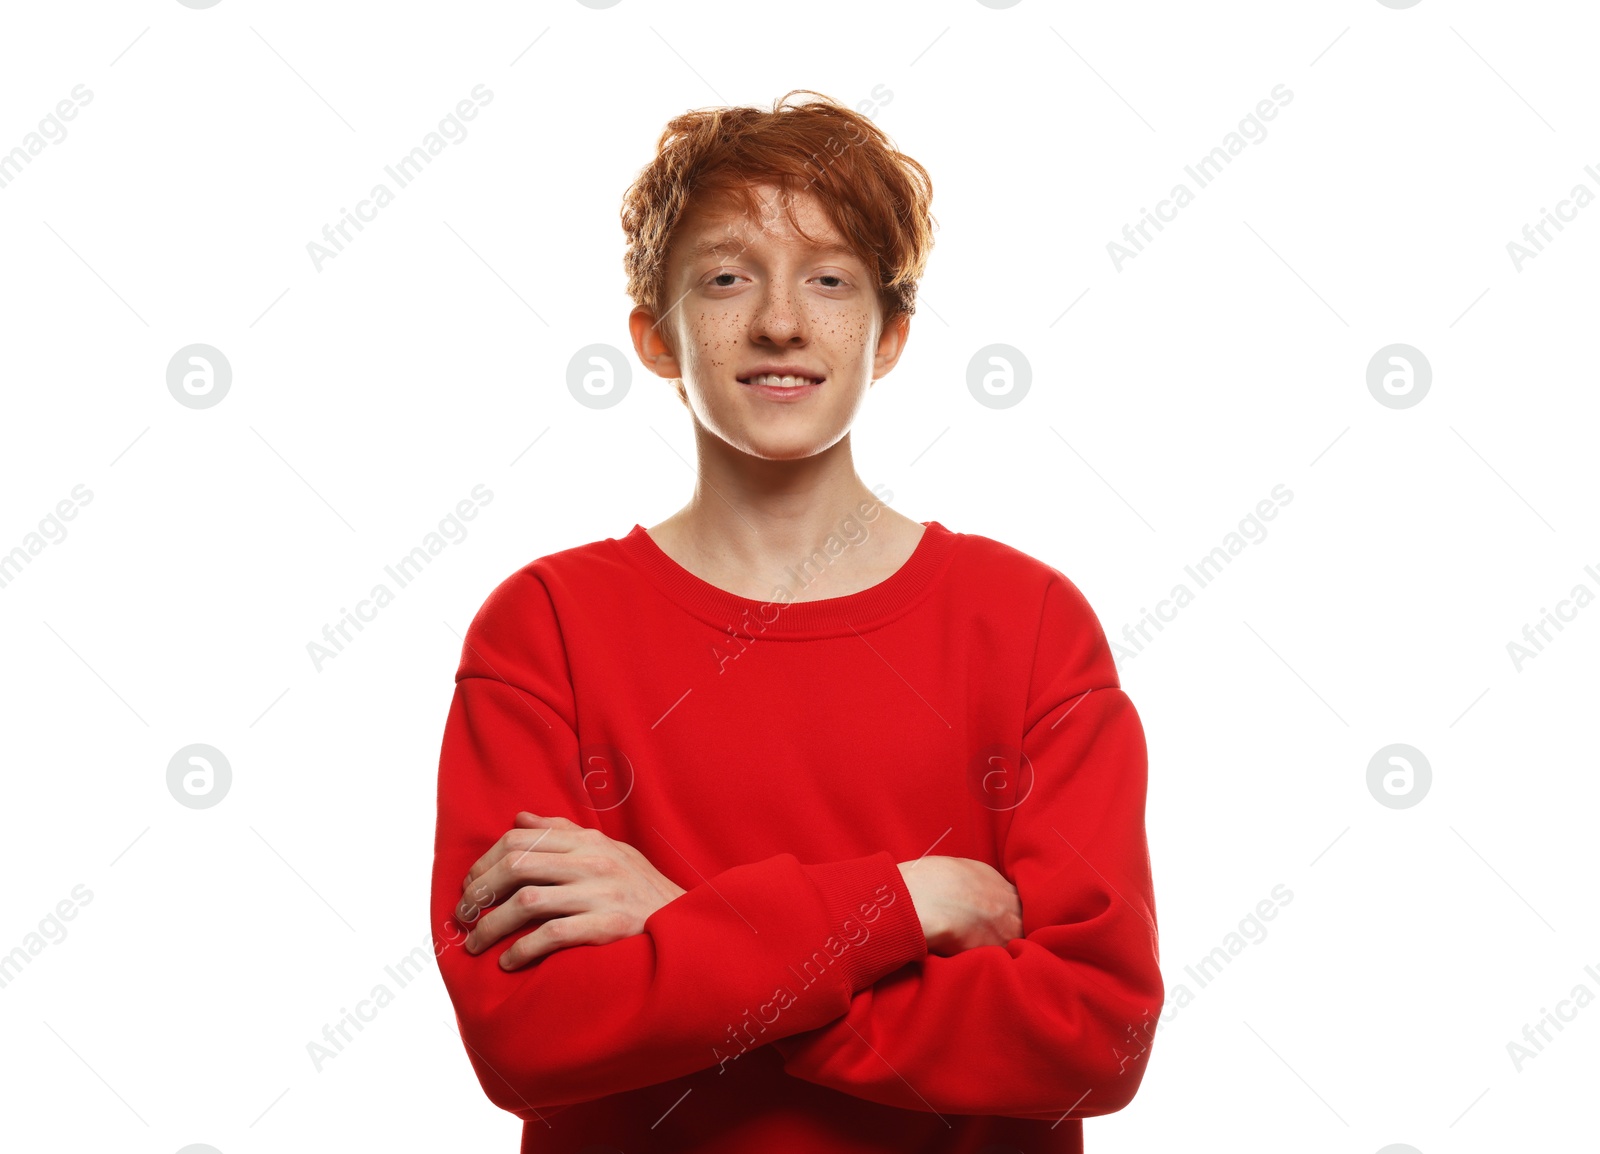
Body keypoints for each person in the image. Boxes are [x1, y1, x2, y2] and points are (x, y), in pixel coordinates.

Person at [430, 89, 1162, 1153]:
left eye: (829, 279)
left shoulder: (1030, 624)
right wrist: (906, 901)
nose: (779, 319)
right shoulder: (543, 627)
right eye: (727, 277)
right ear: (656, 335)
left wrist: (683, 929)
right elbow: (529, 1033)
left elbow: (1091, 1036)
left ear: (892, 332)